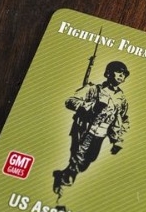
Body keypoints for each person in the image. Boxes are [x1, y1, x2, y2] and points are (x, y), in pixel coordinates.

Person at [52, 61, 130, 198]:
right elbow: (70, 101)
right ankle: (63, 184)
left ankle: (63, 175)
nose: (121, 75)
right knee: (78, 156)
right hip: (84, 128)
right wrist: (91, 106)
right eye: (118, 71)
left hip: (101, 133)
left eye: (124, 74)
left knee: (88, 161)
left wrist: (117, 140)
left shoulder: (121, 99)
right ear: (108, 73)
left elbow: (122, 120)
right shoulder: (93, 89)